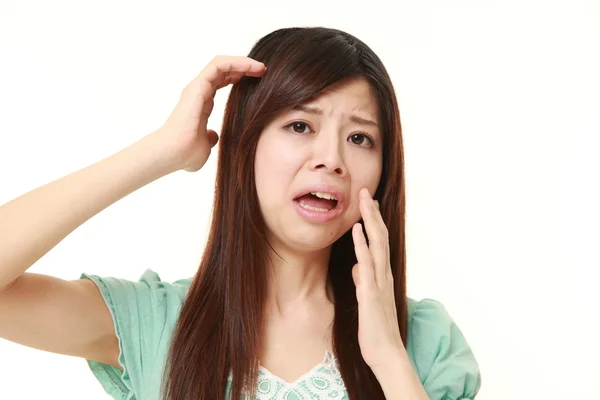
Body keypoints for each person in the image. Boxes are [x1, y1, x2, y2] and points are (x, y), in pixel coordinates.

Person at [0, 27, 481, 399]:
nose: (331, 158)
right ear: (244, 148)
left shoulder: (423, 340)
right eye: (299, 125)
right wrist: (163, 151)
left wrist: (389, 359)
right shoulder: (156, 321)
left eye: (360, 138)